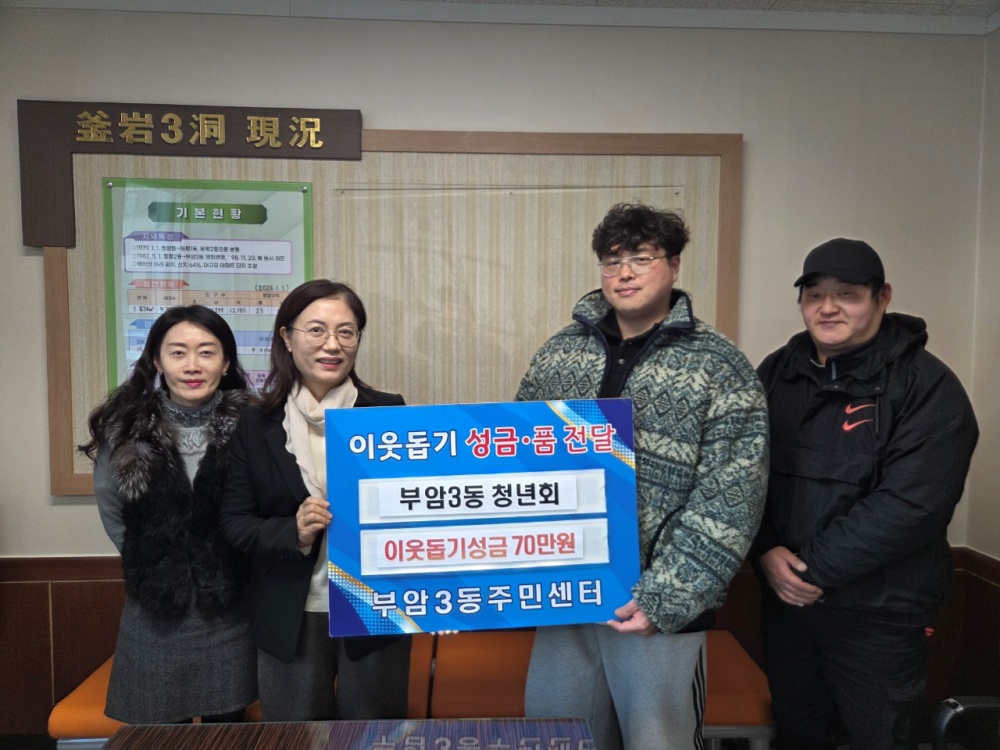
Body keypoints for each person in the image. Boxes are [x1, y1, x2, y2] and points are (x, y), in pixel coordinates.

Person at [516, 202, 769, 750]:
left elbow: (732, 496)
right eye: (611, 261)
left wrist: (667, 596)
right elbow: (516, 462)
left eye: (641, 258)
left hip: (657, 606)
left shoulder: (719, 364)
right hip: (565, 598)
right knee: (556, 738)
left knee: (661, 742)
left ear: (674, 266)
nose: (623, 273)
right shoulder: (558, 354)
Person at [753, 238, 979, 750]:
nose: (827, 307)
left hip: (880, 613)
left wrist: (807, 571)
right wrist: (764, 550)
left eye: (847, 294)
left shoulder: (927, 385)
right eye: (814, 295)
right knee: (798, 734)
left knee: (880, 738)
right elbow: (741, 476)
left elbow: (912, 504)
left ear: (883, 297)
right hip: (786, 607)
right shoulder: (775, 374)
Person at [219, 279, 410, 721]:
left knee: (375, 738)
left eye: (346, 332)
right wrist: (295, 532)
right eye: (317, 330)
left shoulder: (388, 412)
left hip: (374, 608)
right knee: (295, 738)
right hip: (291, 612)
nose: (333, 344)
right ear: (287, 337)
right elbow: (234, 521)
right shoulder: (256, 422)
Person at [79, 304, 256, 724]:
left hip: (233, 608)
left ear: (226, 362)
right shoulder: (126, 428)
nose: (192, 365)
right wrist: (158, 560)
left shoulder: (256, 424)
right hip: (155, 611)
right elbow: (113, 511)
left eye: (207, 352)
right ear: (157, 361)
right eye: (178, 352)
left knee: (227, 732)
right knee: (156, 731)